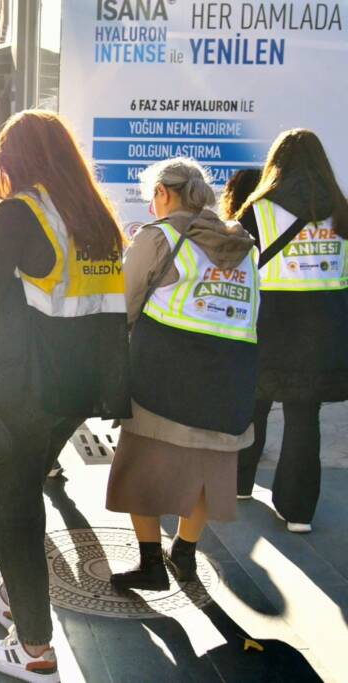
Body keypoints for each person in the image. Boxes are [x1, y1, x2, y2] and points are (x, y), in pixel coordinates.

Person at [0, 110, 129, 682]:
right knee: (25, 485)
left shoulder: (20, 212)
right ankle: (12, 592)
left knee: (14, 507)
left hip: (29, 388)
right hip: (81, 390)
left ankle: (33, 647)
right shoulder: (96, 219)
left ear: (16, 159)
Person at [106, 158, 260, 591]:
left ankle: (151, 564)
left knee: (142, 469)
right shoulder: (243, 244)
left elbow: (124, 302)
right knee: (210, 469)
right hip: (229, 378)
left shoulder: (159, 237)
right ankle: (186, 553)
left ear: (163, 194)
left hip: (162, 376)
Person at [234, 129, 348, 533]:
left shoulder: (260, 208)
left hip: (270, 319)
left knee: (253, 402)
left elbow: (235, 261)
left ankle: (239, 483)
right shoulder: (341, 208)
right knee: (304, 415)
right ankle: (298, 511)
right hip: (326, 326)